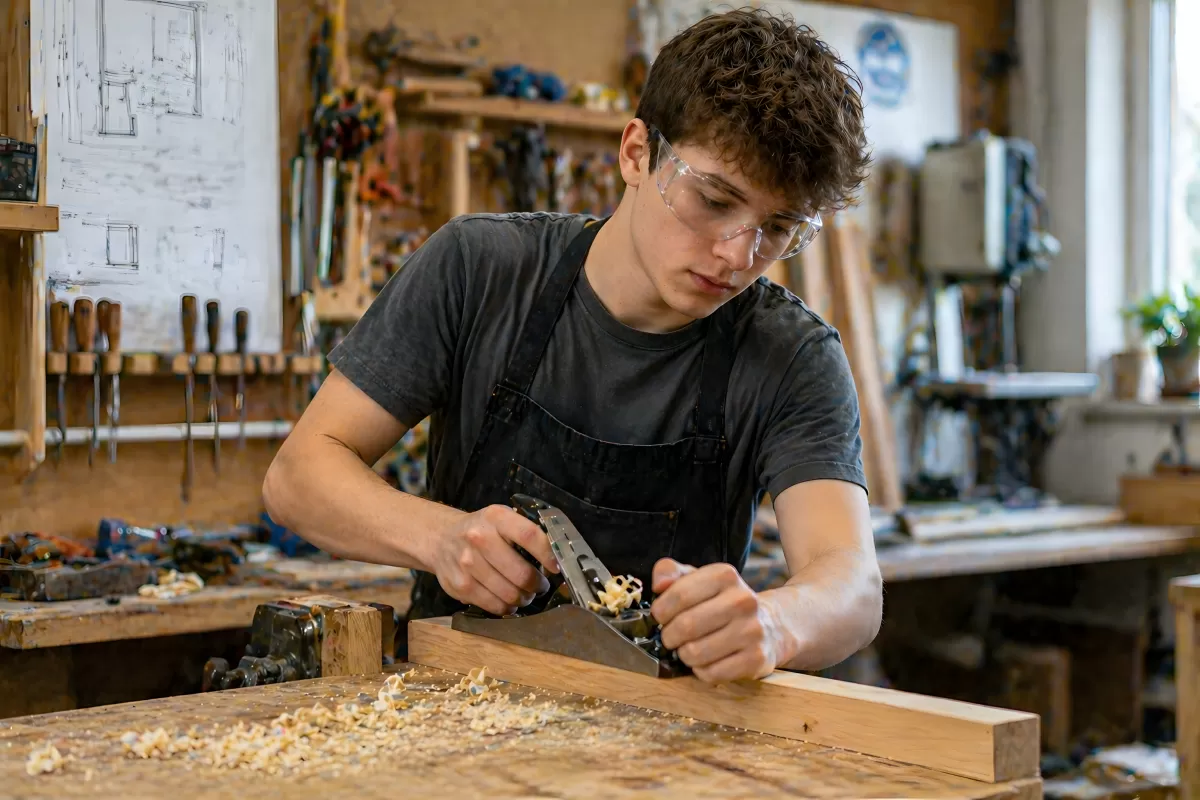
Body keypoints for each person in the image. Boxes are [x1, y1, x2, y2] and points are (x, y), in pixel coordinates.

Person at [264, 7, 882, 684]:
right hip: (455, 701)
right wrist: (441, 539)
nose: (738, 255)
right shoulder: (479, 268)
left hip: (674, 727)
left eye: (779, 227)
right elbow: (298, 478)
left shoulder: (791, 355)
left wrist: (777, 622)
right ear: (636, 152)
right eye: (713, 199)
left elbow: (851, 585)